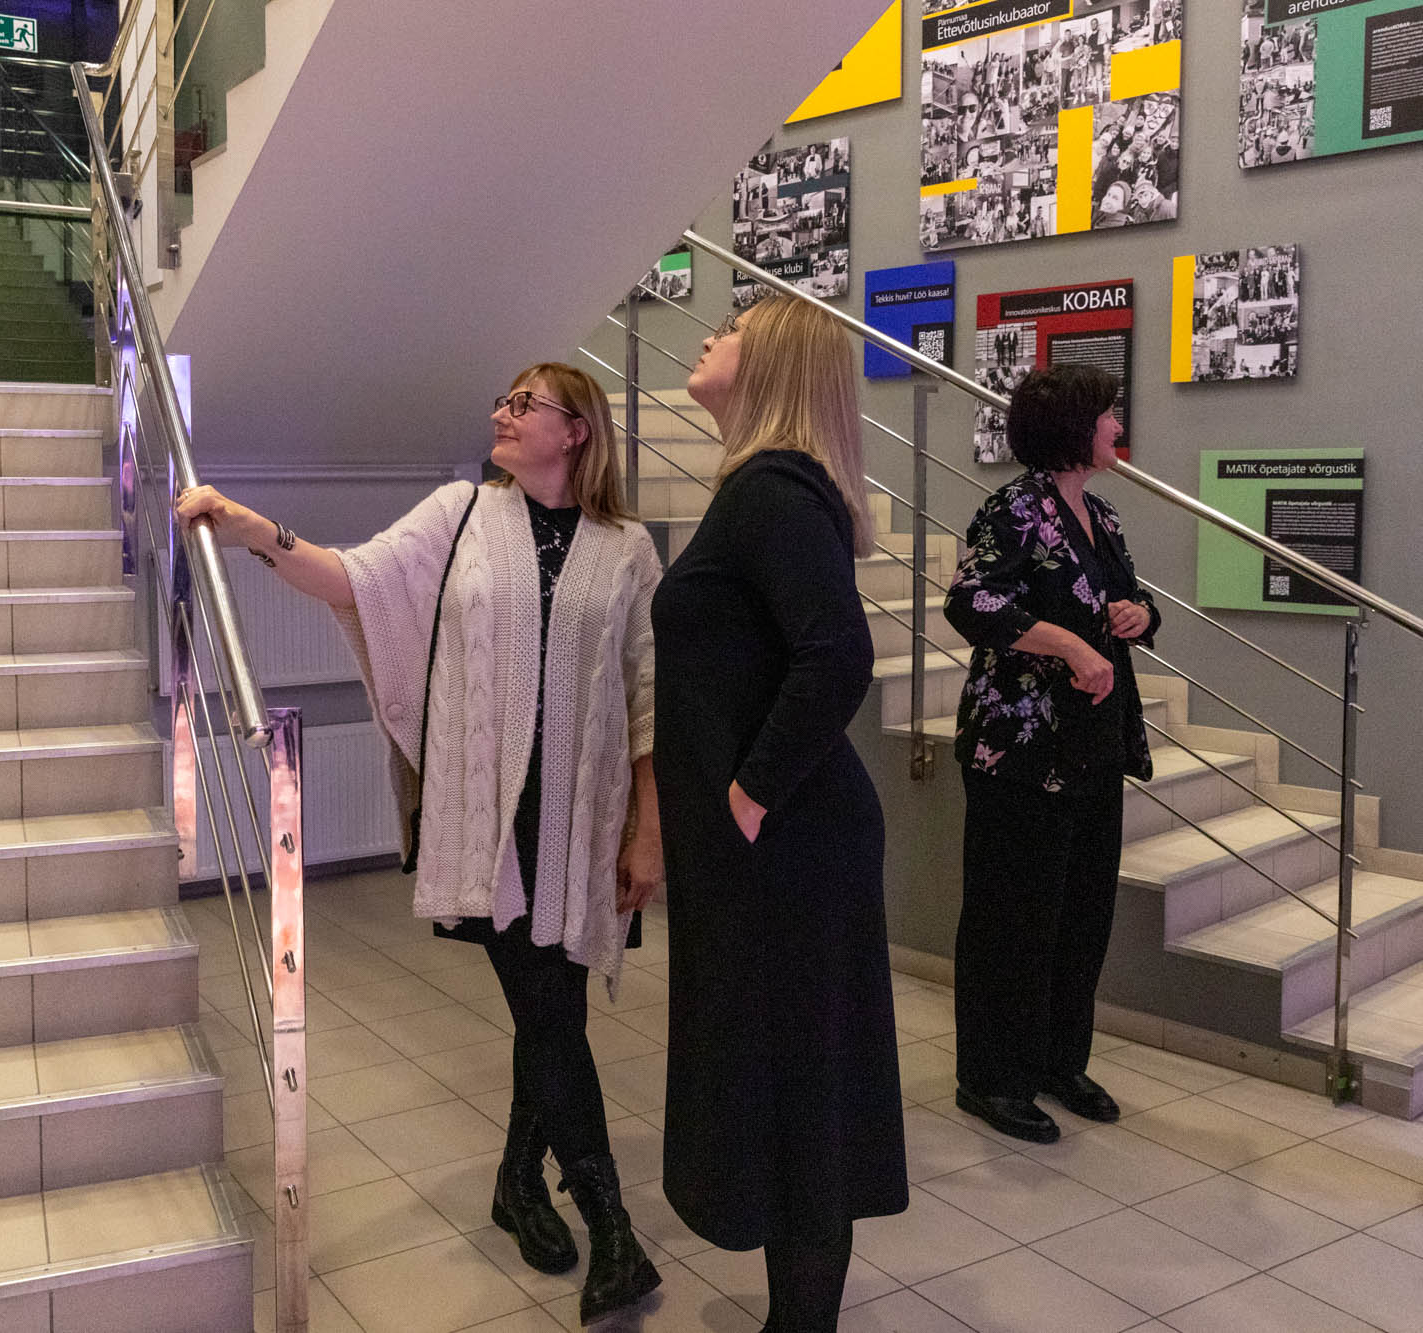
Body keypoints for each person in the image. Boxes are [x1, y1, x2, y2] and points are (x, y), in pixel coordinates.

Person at [174, 363, 664, 1326]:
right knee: (550, 1012)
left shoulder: (628, 548)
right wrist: (249, 529)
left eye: (523, 404)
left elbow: (647, 694)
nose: (500, 413)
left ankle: (518, 1181)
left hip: (583, 821)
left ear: (576, 430)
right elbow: (352, 579)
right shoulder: (461, 513)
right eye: (503, 400)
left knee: (554, 1011)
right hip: (492, 824)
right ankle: (612, 1229)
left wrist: (649, 826)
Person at [657, 297, 909, 1333]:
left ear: (770, 364)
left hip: (790, 847)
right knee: (787, 1093)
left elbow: (837, 655)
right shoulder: (760, 491)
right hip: (779, 848)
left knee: (804, 1101)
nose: (705, 337)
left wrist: (749, 793)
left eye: (728, 329)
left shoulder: (770, 491)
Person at [942, 364, 1161, 1145]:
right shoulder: (1013, 509)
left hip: (1094, 744)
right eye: (1107, 414)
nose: (1117, 426)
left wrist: (1140, 615)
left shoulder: (1101, 513)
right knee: (1011, 920)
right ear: (1074, 427)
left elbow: (1130, 598)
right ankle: (992, 1077)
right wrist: (1068, 643)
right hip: (1021, 751)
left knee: (1080, 917)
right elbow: (971, 600)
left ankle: (1058, 1061)